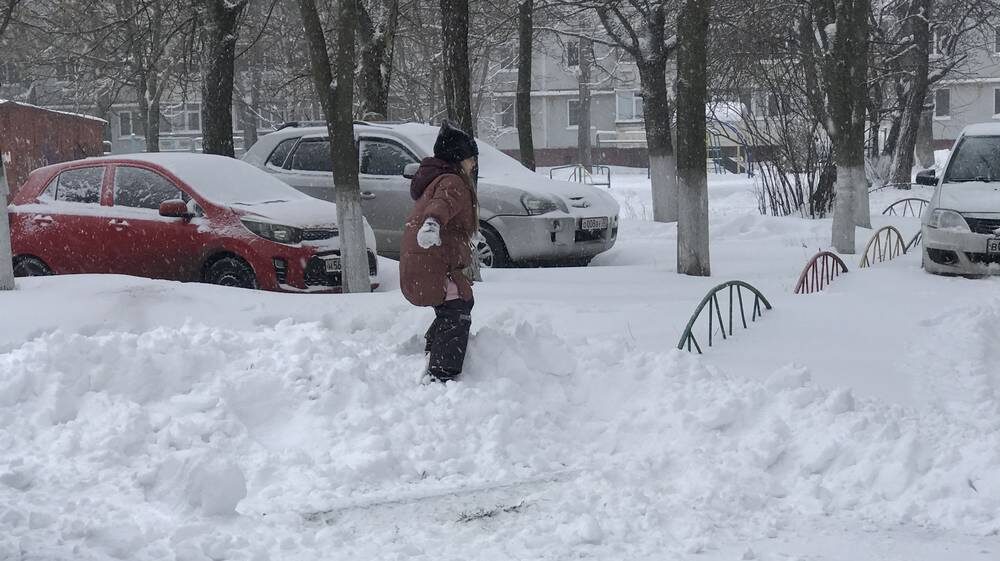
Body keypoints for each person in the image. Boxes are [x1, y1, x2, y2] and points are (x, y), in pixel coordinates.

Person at [399, 121, 480, 383]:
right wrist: (432, 223)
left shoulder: (439, 178)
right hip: (433, 258)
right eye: (470, 158)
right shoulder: (452, 182)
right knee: (457, 309)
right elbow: (442, 204)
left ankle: (433, 351)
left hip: (429, 258)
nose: (474, 164)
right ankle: (440, 373)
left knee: (454, 307)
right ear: (458, 158)